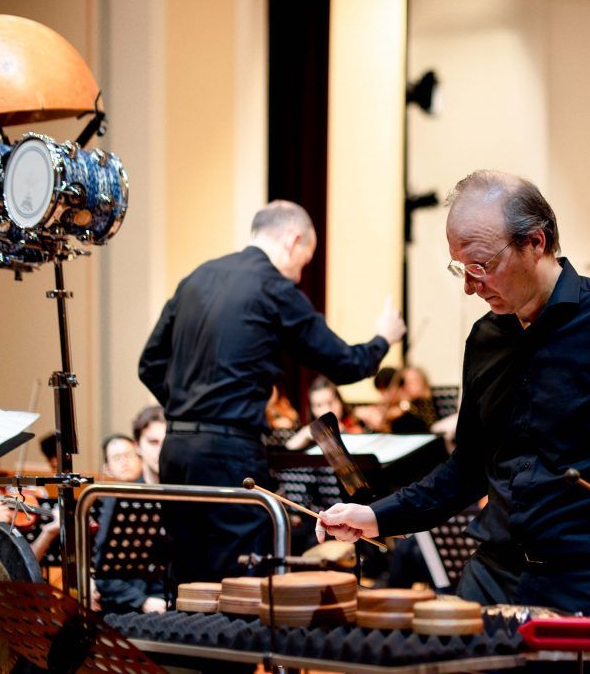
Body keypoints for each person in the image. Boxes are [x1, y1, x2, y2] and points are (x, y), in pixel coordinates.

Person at [316, 170, 590, 656]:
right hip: (490, 578)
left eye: (480, 266)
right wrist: (376, 516)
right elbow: (467, 469)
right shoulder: (486, 339)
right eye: (461, 269)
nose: (470, 287)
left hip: (585, 584)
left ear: (535, 243)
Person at [138, 199, 406, 584]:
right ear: (293, 240)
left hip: (176, 450)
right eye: (304, 261)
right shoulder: (274, 288)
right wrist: (384, 338)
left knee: (188, 579)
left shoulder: (195, 278)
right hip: (229, 454)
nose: (299, 276)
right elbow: (346, 364)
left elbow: (149, 364)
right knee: (242, 578)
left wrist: (190, 411)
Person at [93, 432, 167, 614]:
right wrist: (141, 600)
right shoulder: (103, 504)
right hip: (126, 601)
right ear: (107, 468)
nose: (124, 462)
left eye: (128, 455)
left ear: (139, 457)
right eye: (117, 458)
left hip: (159, 593)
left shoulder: (156, 493)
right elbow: (103, 574)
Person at [132, 405, 165, 485]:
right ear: (137, 446)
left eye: (167, 443)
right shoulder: (123, 496)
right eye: (153, 442)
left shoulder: (195, 493)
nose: (161, 450)